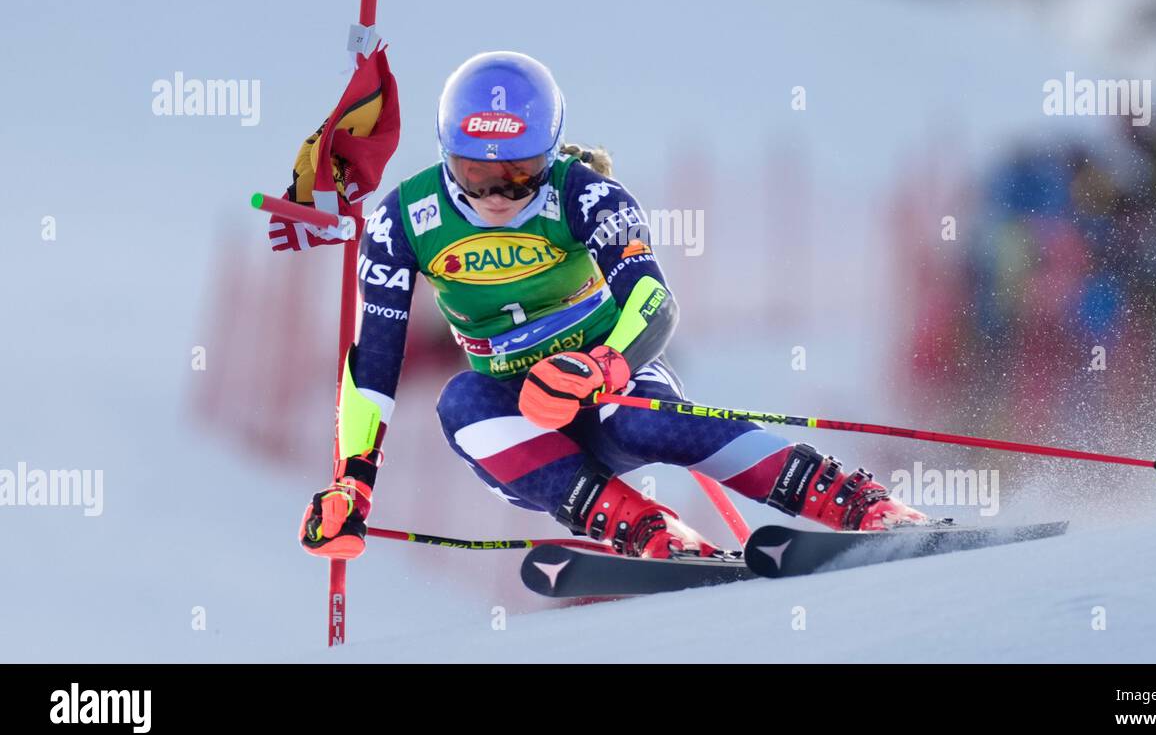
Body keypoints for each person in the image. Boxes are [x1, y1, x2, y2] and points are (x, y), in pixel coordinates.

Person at [300, 51, 929, 561]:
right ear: (445, 155)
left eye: (519, 174)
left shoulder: (587, 193)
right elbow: (374, 359)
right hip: (520, 419)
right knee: (458, 403)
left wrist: (599, 368)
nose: (496, 192)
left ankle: (852, 502)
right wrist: (353, 481)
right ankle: (649, 532)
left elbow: (653, 302)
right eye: (474, 173)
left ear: (550, 155)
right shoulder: (405, 220)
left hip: (609, 380)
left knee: (643, 422)